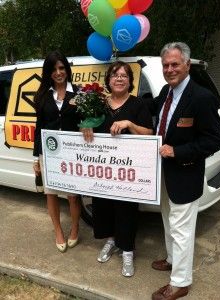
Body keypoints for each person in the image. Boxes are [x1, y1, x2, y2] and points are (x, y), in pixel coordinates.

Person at [150, 42, 220, 300]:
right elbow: (155, 118)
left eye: (175, 64)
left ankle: (180, 283)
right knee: (168, 220)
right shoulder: (164, 92)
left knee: (182, 229)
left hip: (185, 173)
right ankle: (172, 259)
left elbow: (216, 139)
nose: (169, 69)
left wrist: (177, 152)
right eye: (166, 65)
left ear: (186, 65)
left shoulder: (202, 97)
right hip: (163, 173)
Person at [83, 61, 153, 277]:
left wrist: (129, 125)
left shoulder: (138, 104)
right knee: (103, 207)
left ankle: (128, 251)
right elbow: (87, 126)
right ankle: (111, 241)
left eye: (124, 75)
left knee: (126, 210)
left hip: (128, 173)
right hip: (104, 172)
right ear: (109, 80)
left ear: (130, 81)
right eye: (115, 75)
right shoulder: (98, 103)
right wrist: (84, 126)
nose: (119, 78)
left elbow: (150, 134)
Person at [33, 50, 81, 253]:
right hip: (49, 152)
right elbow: (40, 127)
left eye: (61, 68)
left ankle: (75, 229)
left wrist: (87, 124)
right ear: (48, 72)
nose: (58, 72)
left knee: (73, 195)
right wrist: (36, 158)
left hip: (72, 153)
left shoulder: (79, 93)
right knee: (51, 194)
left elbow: (86, 120)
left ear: (67, 69)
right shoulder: (43, 95)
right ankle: (59, 231)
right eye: (53, 69)